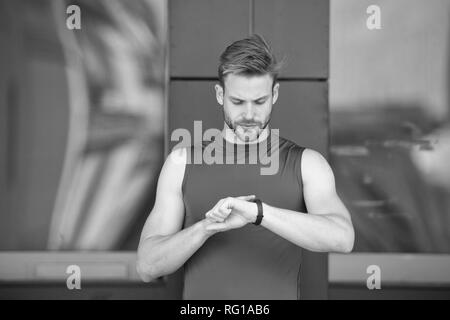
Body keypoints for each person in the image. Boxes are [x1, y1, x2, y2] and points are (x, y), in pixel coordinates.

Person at [136, 34, 354, 299]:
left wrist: (258, 214)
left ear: (274, 94)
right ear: (220, 95)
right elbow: (147, 266)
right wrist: (206, 227)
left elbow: (342, 238)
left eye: (259, 101)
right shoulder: (181, 163)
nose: (249, 114)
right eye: (238, 102)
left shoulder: (307, 164)